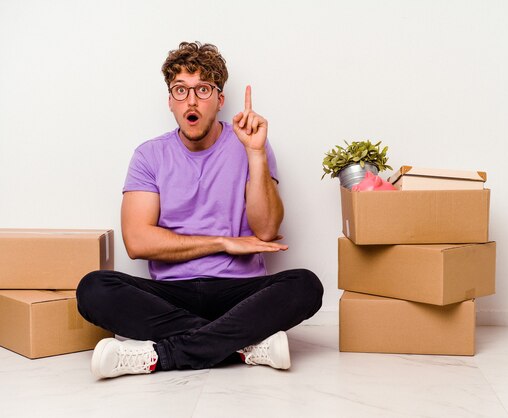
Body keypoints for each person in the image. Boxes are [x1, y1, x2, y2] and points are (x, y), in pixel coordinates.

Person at [76, 41, 323, 379]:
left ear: (220, 99)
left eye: (202, 89)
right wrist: (222, 242)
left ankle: (159, 356)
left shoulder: (253, 146)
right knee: (94, 289)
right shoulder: (149, 156)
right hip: (172, 295)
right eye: (180, 90)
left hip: (239, 291)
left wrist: (256, 154)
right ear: (170, 102)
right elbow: (137, 242)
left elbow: (265, 231)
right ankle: (242, 344)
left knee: (305, 285)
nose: (191, 101)